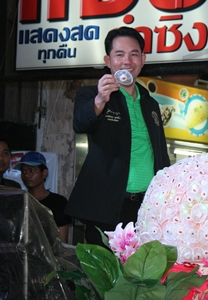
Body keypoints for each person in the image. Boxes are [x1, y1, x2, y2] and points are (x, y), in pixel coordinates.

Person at [65, 26, 171, 246]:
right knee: (104, 277)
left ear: (143, 59)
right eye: (119, 54)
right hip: (106, 207)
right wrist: (99, 100)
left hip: (147, 207)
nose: (127, 61)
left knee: (142, 276)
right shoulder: (92, 93)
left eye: (134, 54)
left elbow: (160, 153)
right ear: (108, 60)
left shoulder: (150, 103)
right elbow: (80, 123)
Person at [13, 152, 72, 243]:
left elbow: (62, 242)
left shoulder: (58, 202)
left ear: (44, 173)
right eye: (23, 171)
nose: (27, 175)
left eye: (32, 170)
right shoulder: (18, 201)